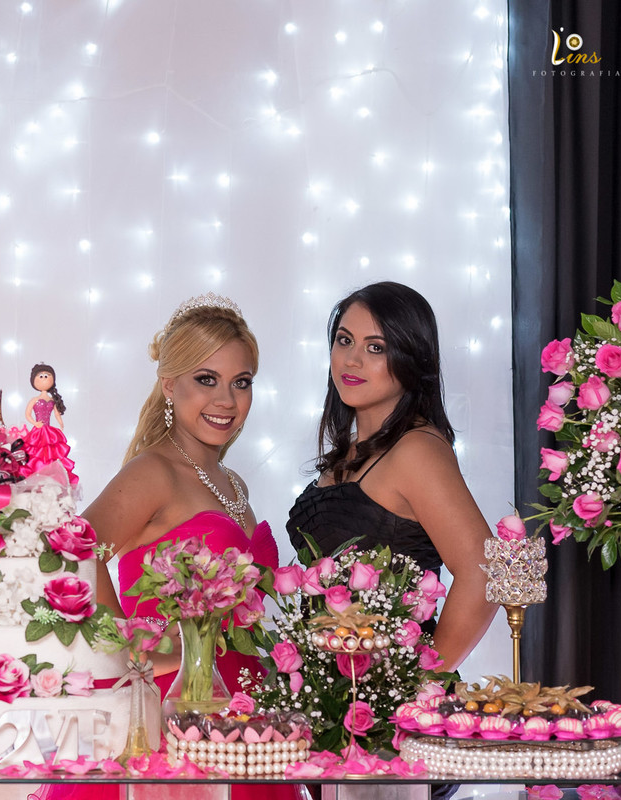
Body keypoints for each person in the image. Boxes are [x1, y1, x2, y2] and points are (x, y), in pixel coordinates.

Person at [49, 294, 295, 800]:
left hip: (241, 714)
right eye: (207, 379)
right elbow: (71, 552)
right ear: (169, 384)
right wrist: (133, 652)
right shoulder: (154, 471)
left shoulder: (234, 483)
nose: (226, 400)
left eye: (241, 382)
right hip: (169, 710)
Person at [286, 281, 495, 671]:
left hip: (390, 692)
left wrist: (423, 681)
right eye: (345, 341)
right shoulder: (348, 452)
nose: (352, 360)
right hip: (329, 687)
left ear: (410, 359)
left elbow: (483, 572)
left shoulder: (416, 450)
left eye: (376, 348)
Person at [21, 363, 78, 482]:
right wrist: (35, 423)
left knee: (51, 453)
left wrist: (61, 423)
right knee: (37, 452)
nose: (44, 378)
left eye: (46, 376)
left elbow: (56, 413)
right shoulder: (35, 400)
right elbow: (27, 414)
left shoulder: (52, 400)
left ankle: (50, 475)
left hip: (49, 431)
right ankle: (37, 473)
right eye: (40, 376)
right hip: (38, 431)